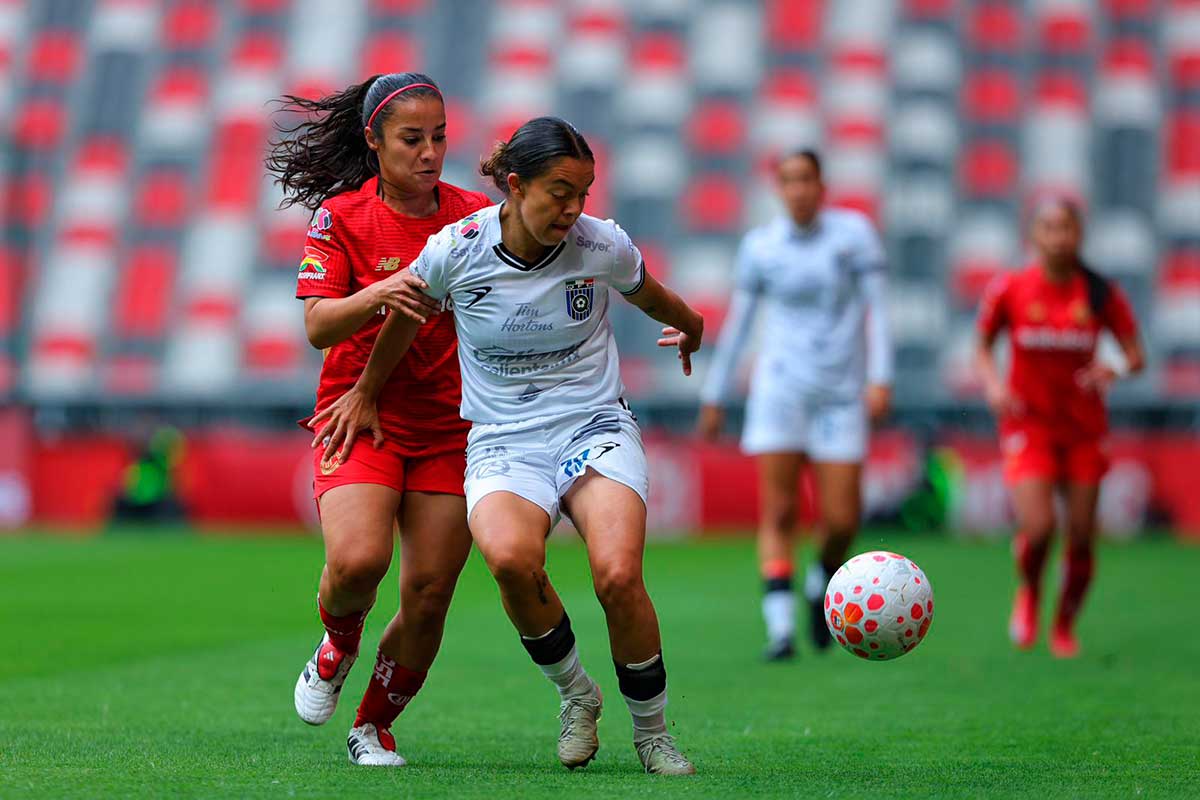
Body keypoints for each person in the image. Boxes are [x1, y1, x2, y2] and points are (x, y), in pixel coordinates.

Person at [314, 116, 703, 775]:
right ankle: (577, 694)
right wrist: (367, 391)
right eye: (560, 192)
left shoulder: (600, 243)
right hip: (503, 439)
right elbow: (404, 320)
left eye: (583, 193)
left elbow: (653, 295)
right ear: (516, 186)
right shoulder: (456, 250)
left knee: (616, 574)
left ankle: (653, 734)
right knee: (511, 561)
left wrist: (692, 327)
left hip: (593, 427)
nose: (573, 209)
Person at [265, 72, 491, 766]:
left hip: (452, 428)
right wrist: (382, 291)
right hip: (360, 415)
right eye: (412, 139)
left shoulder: (475, 216)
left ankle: (372, 726)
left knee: (428, 594)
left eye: (440, 137)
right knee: (358, 562)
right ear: (375, 140)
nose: (430, 153)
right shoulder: (341, 217)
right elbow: (317, 326)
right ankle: (338, 642)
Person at [696, 149, 893, 661]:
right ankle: (780, 630)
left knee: (842, 520)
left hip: (840, 393)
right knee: (780, 510)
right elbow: (739, 322)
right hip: (780, 390)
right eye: (789, 180)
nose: (799, 189)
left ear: (822, 186)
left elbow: (877, 309)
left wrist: (881, 377)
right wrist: (715, 393)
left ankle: (819, 585)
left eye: (806, 179)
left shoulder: (853, 236)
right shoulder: (761, 246)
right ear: (779, 189)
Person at [976, 198, 1144, 658]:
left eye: (1065, 228)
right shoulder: (1011, 288)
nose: (1057, 237)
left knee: (1082, 536)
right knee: (1038, 528)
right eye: (1048, 228)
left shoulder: (1100, 293)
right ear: (1033, 235)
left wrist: (1113, 367)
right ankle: (1029, 591)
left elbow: (1136, 355)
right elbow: (983, 345)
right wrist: (993, 385)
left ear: (1079, 234)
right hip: (1028, 423)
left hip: (1083, 429)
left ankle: (1064, 624)